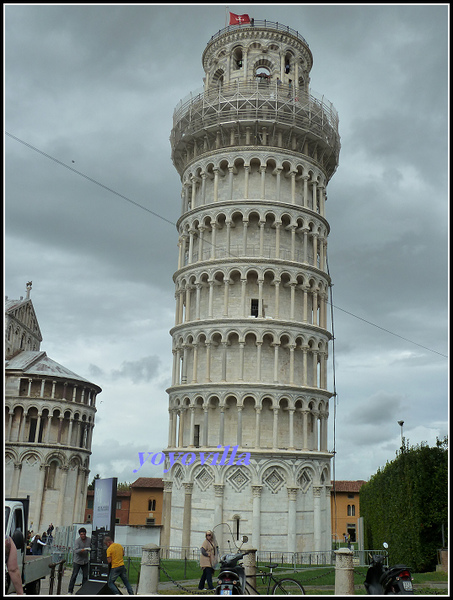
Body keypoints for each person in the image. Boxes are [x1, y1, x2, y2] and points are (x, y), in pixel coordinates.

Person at [68, 527, 91, 594]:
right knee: (74, 575)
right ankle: (70, 591)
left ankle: (84, 590)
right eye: (81, 534)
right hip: (77, 561)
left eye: (84, 534)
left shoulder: (89, 540)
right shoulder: (77, 541)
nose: (83, 536)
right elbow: (76, 551)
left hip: (85, 561)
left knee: (85, 576)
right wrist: (84, 549)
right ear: (79, 535)